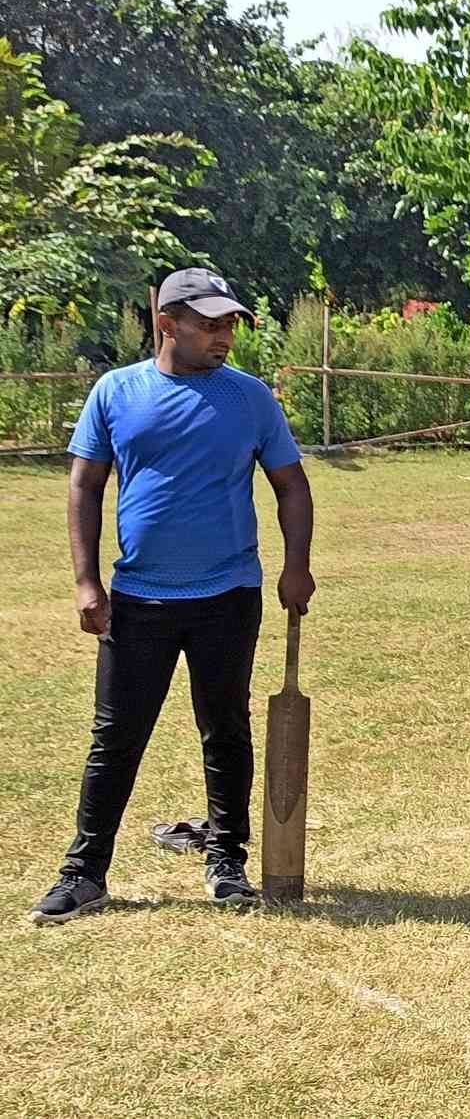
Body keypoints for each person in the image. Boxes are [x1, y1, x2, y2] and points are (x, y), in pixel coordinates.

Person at [31, 269, 316, 925]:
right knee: (116, 736)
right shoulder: (116, 392)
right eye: (210, 324)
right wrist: (85, 580)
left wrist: (295, 565)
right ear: (168, 324)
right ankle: (83, 874)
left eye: (231, 324)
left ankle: (226, 862)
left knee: (226, 730)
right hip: (139, 600)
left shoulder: (250, 399)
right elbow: (84, 486)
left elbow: (291, 486)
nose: (225, 337)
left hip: (229, 593)